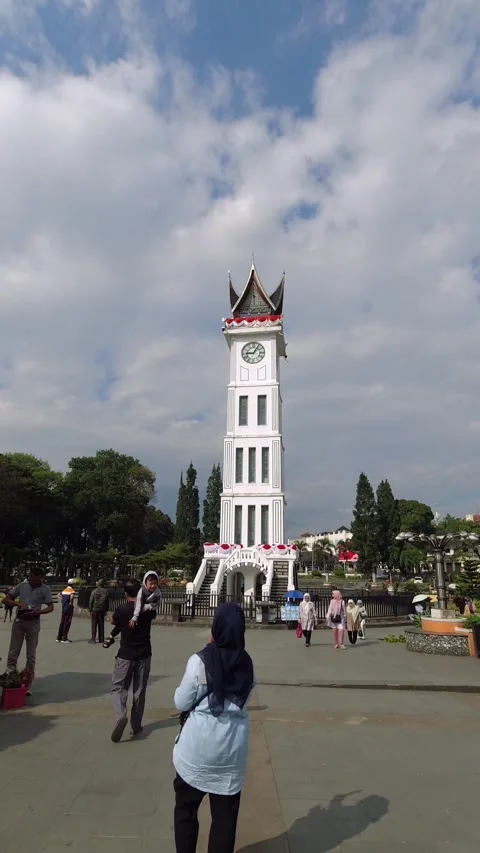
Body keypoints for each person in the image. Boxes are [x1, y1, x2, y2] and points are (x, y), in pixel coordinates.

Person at [173, 602, 255, 853]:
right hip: (231, 750)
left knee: (186, 811)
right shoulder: (248, 665)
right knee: (225, 820)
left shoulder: (199, 662)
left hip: (197, 749)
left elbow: (181, 702)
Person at [103, 578, 155, 743]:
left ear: (125, 593)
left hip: (125, 654)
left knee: (119, 687)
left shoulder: (122, 609)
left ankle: (120, 716)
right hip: (144, 654)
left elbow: (113, 621)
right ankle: (136, 725)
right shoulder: (148, 610)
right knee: (139, 691)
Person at [2, 568, 54, 693]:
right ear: (29, 576)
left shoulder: (45, 589)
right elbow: (5, 599)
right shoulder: (22, 586)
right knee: (13, 652)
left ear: (42, 578)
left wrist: (38, 612)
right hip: (19, 621)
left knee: (31, 655)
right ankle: (10, 678)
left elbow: (51, 607)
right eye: (32, 579)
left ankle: (27, 683)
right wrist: (18, 604)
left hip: (34, 622)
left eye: (37, 580)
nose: (34, 581)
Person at [89, 579, 109, 644]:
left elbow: (91, 601)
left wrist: (90, 609)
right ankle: (101, 639)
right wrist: (106, 610)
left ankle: (93, 639)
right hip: (102, 609)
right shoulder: (106, 591)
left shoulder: (94, 591)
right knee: (101, 624)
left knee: (94, 624)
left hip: (95, 609)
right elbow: (107, 602)